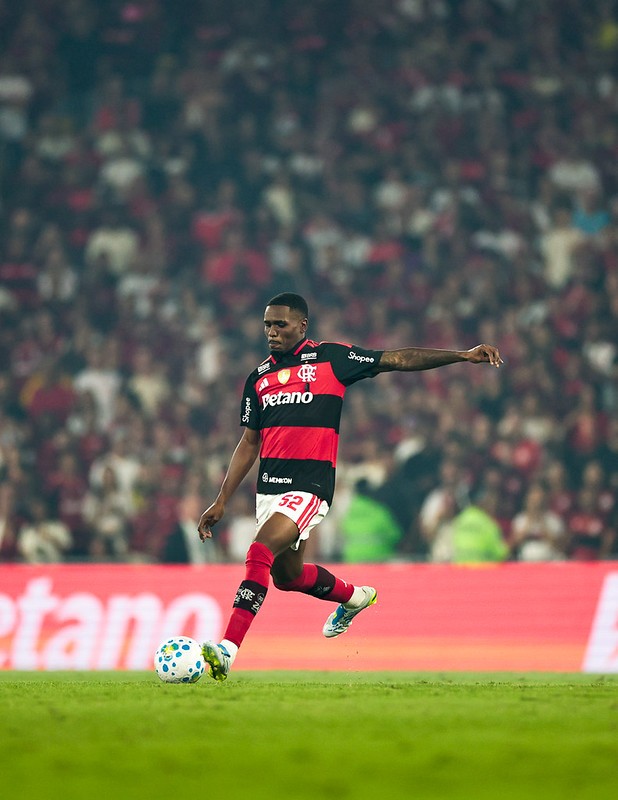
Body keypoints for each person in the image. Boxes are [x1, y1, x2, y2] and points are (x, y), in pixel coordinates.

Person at [197, 292, 502, 680]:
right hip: (269, 490)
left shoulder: (331, 358)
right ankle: (356, 597)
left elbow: (395, 359)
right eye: (267, 325)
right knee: (287, 577)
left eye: (280, 324)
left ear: (302, 326)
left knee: (259, 551)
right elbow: (249, 442)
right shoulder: (257, 378)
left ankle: (227, 649)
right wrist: (221, 499)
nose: (271, 332)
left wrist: (461, 355)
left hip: (309, 486)